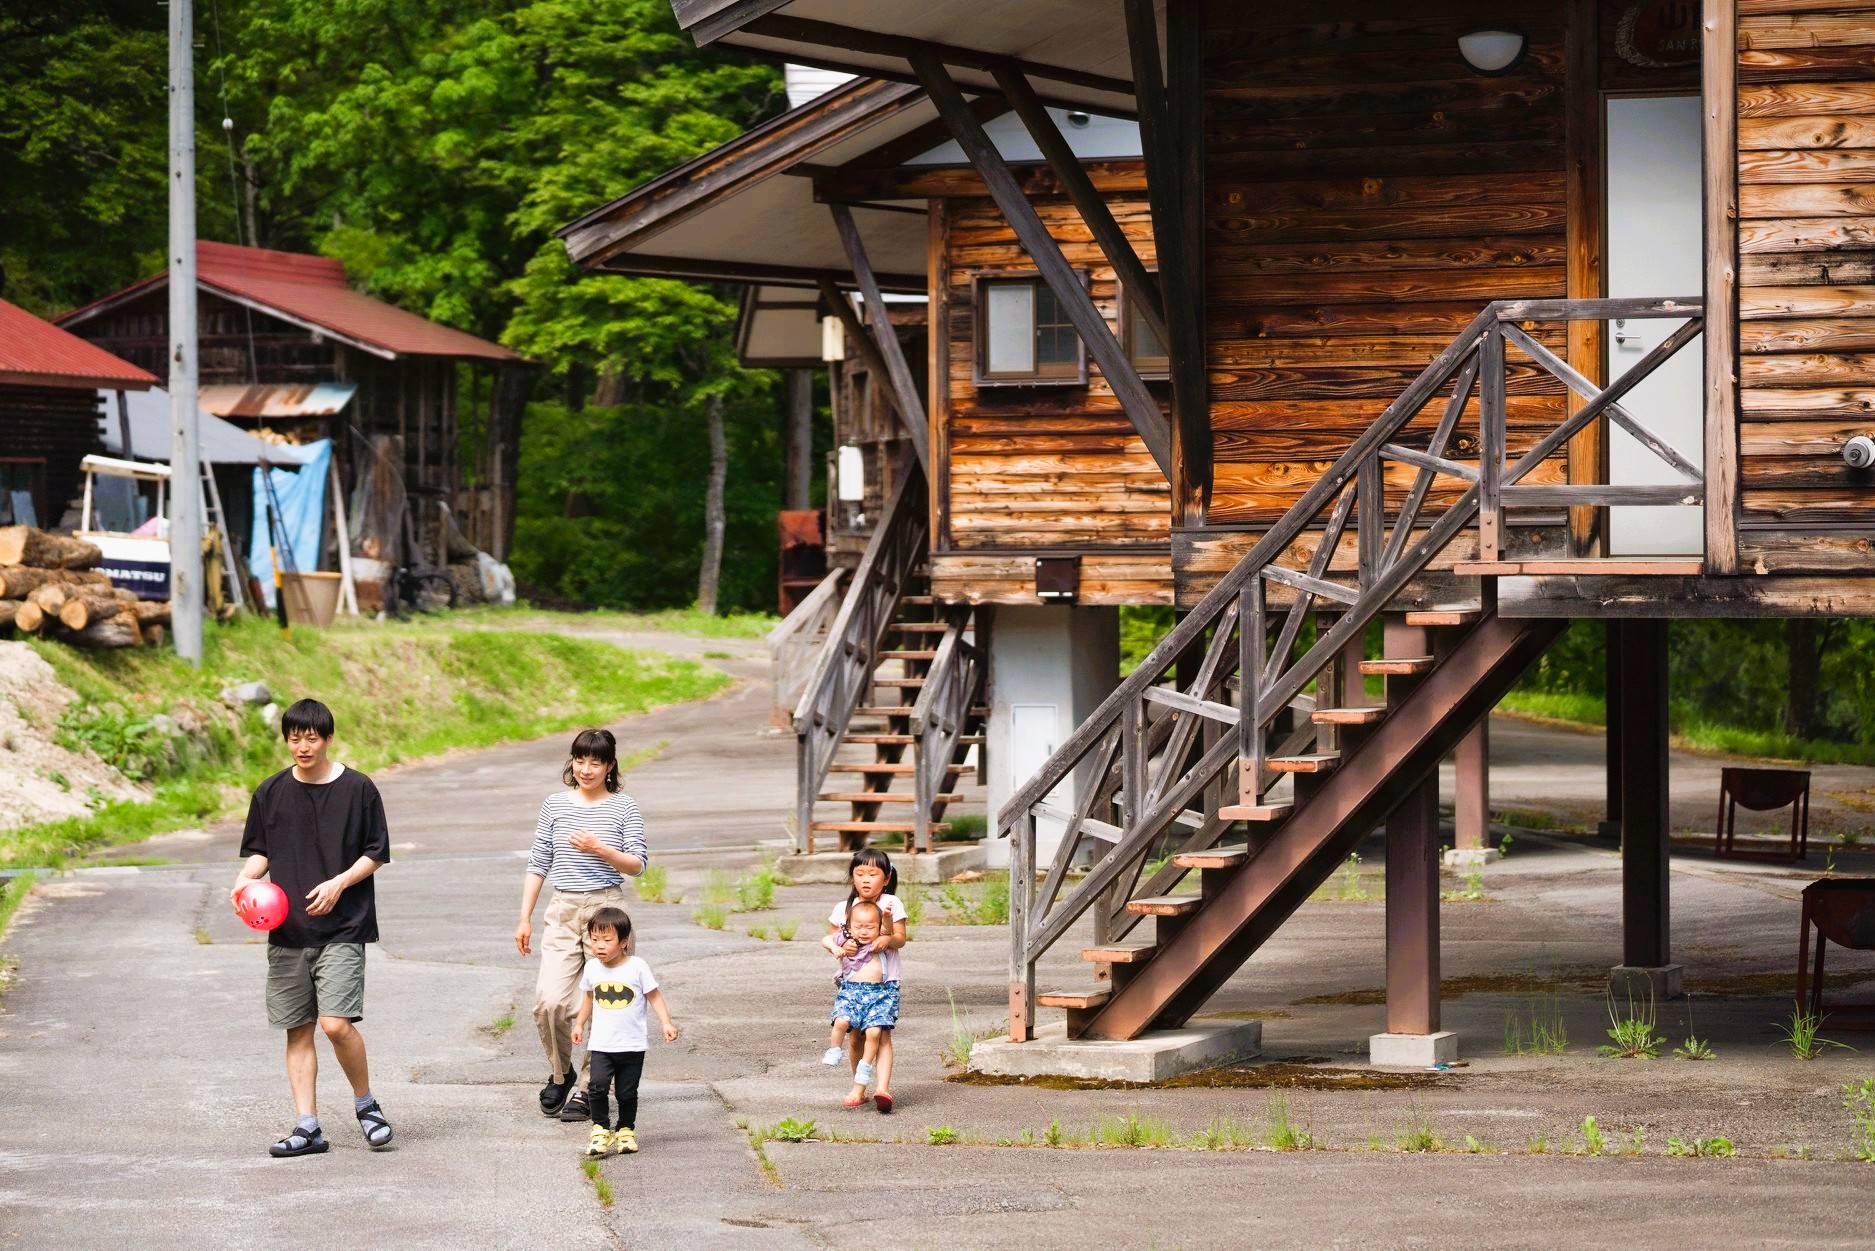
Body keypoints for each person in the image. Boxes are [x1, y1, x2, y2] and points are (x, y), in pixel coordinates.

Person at [229, 698, 393, 1158]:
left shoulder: (359, 789)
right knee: (297, 1030)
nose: (303, 746)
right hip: (286, 930)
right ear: (286, 739)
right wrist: (245, 881)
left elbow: (376, 851)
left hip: (343, 925)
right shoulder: (270, 791)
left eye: (312, 737)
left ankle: (367, 1106)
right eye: (295, 738)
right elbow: (262, 851)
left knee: (336, 1024)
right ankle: (308, 1127)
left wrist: (340, 883)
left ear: (327, 738)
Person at [515, 728, 647, 1122]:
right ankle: (562, 1072)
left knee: (608, 1002)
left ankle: (591, 1089)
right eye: (580, 760)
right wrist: (524, 918)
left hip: (606, 909)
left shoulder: (624, 807)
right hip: (562, 908)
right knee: (550, 1002)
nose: (586, 769)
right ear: (572, 762)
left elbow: (638, 864)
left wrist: (600, 849)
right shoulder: (554, 805)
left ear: (610, 766)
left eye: (596, 761)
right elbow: (538, 862)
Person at [569, 906, 678, 1157]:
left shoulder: (637, 967)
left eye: (607, 940)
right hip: (602, 1044)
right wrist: (578, 1024)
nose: (599, 946)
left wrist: (666, 1022)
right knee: (596, 1087)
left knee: (626, 1092)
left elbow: (655, 996)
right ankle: (600, 1129)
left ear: (624, 942)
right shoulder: (593, 968)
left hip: (632, 1044)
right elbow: (588, 998)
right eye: (594, 940)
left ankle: (625, 1130)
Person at [821, 848, 907, 1112]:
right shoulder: (843, 908)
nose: (866, 879)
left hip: (884, 984)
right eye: (860, 874)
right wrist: (842, 947)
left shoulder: (891, 904)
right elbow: (833, 938)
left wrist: (887, 939)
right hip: (853, 983)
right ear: (852, 877)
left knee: (880, 1034)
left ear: (887, 876)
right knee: (855, 1037)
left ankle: (883, 1088)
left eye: (873, 874)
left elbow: (901, 938)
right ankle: (860, 1085)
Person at [821, 900, 889, 1107]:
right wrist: (836, 947)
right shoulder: (846, 939)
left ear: (877, 928)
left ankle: (865, 1067)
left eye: (870, 927)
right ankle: (834, 1050)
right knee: (841, 1022)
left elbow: (890, 930)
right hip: (850, 992)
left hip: (877, 994)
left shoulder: (879, 941)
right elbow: (825, 939)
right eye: (858, 927)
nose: (864, 932)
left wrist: (886, 917)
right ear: (849, 927)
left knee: (874, 1033)